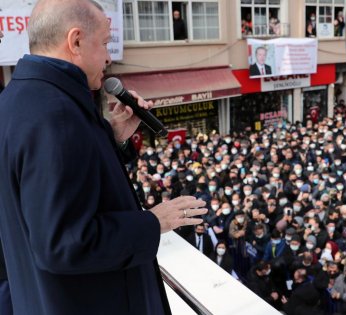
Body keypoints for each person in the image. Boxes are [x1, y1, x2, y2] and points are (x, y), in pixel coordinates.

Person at [0, 0, 205, 314]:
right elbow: (64, 243)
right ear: (76, 41)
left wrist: (112, 135)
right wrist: (154, 221)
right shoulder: (55, 115)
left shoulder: (18, 101)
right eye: (106, 43)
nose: (110, 57)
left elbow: (66, 183)